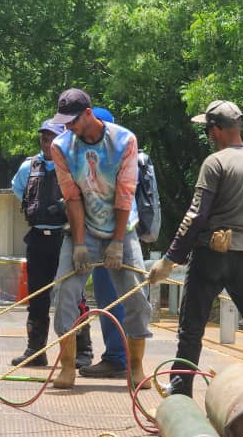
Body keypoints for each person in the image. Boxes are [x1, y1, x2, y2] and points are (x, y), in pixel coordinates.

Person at [148, 100, 243, 396]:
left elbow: (196, 214)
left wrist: (170, 259)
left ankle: (180, 392)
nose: (208, 136)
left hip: (211, 254)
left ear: (216, 129)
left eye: (208, 130)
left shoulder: (215, 163)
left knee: (191, 328)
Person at [48, 88, 152, 390]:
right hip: (84, 227)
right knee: (65, 291)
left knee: (135, 295)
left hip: (122, 226)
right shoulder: (61, 146)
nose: (69, 127)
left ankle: (135, 366)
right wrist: (79, 244)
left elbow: (125, 193)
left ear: (88, 113)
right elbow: (72, 197)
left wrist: (117, 242)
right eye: (64, 122)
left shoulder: (124, 141)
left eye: (73, 121)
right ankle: (67, 365)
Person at [9, 120, 94, 368]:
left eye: (52, 138)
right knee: (37, 296)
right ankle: (35, 349)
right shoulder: (29, 166)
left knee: (72, 295)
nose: (47, 144)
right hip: (37, 238)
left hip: (65, 238)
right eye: (44, 139)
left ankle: (83, 351)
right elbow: (19, 190)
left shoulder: (73, 164)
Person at [77, 106, 128, 380]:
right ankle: (120, 356)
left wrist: (117, 241)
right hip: (105, 235)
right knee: (113, 296)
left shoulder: (113, 158)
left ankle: (118, 357)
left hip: (112, 236)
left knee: (112, 297)